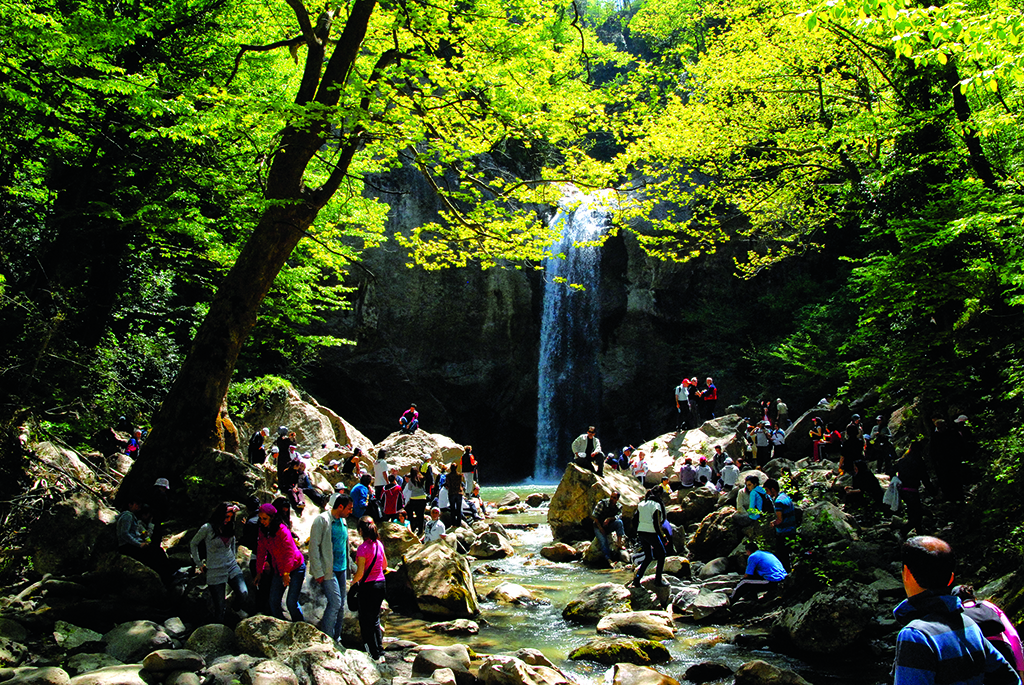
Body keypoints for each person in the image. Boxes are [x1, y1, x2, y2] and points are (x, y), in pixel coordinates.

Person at [893, 536, 1019, 685]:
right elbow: (1010, 679)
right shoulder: (969, 625)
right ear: (951, 579)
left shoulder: (915, 635)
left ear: (907, 573)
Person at [190, 502, 248, 623]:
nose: (227, 520)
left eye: (230, 518)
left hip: (231, 565)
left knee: (243, 593)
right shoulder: (207, 528)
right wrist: (199, 563)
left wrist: (234, 556)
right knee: (220, 607)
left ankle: (236, 608)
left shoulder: (229, 526)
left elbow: (232, 542)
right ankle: (219, 632)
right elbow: (193, 543)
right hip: (215, 569)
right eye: (226, 517)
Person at [952, 585, 1024, 677]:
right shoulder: (988, 605)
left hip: (980, 658)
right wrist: (1021, 668)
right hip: (1005, 654)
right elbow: (1013, 635)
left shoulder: (958, 614)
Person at [309, 494, 353, 643]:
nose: (351, 511)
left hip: (342, 569)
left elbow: (345, 546)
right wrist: (318, 571)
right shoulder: (322, 520)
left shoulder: (343, 521)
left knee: (341, 606)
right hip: (328, 570)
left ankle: (337, 638)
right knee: (335, 603)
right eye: (349, 508)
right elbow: (313, 547)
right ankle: (326, 638)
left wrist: (351, 566)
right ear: (340, 506)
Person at [255, 503, 305, 622]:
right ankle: (282, 626)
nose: (262, 521)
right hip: (279, 568)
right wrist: (259, 572)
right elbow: (261, 551)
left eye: (265, 519)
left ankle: (300, 626)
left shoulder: (282, 530)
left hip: (296, 567)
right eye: (260, 518)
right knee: (273, 601)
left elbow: (289, 552)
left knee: (291, 602)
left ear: (272, 518)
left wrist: (287, 573)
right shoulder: (263, 532)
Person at [352, 516, 388, 663]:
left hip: (368, 587)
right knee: (375, 619)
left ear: (360, 531)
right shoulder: (379, 544)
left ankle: (372, 654)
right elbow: (384, 565)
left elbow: (360, 573)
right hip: (381, 584)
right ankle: (380, 652)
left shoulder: (362, 549)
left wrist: (352, 583)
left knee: (365, 622)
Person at [115, 496, 175, 584]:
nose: (138, 506)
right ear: (130, 505)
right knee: (156, 553)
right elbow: (124, 533)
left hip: (130, 545)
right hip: (127, 547)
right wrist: (139, 544)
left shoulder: (130, 516)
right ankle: (169, 578)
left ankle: (168, 576)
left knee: (157, 552)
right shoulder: (127, 515)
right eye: (136, 504)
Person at [628, 488, 668, 588]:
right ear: (659, 494)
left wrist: (638, 530)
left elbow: (634, 520)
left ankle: (637, 579)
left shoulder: (642, 504)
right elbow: (657, 524)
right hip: (651, 533)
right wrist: (663, 537)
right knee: (662, 555)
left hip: (641, 533)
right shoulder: (656, 506)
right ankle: (658, 580)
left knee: (648, 557)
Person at [896, 442, 930, 536]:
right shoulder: (918, 461)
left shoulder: (903, 460)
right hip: (912, 491)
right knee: (917, 516)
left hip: (903, 490)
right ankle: (902, 532)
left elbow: (892, 470)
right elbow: (925, 478)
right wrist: (933, 492)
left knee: (914, 514)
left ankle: (919, 534)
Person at [764, 479, 797, 569]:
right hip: (792, 530)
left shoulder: (778, 502)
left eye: (767, 490)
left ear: (773, 489)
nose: (767, 493)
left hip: (784, 532)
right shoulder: (785, 496)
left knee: (783, 557)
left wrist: (773, 523)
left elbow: (780, 519)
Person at [592, 491, 625, 564]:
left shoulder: (618, 506)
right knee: (604, 542)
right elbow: (594, 516)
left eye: (614, 498)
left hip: (609, 526)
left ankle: (619, 543)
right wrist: (600, 528)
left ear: (617, 499)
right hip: (598, 526)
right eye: (611, 496)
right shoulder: (602, 504)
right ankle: (609, 559)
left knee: (619, 522)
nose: (612, 499)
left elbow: (619, 516)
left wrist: (610, 519)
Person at [404, 466, 428, 534]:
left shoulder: (411, 480)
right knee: (421, 515)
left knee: (410, 513)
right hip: (422, 498)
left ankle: (412, 528)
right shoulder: (422, 478)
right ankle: (421, 530)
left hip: (414, 499)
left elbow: (410, 489)